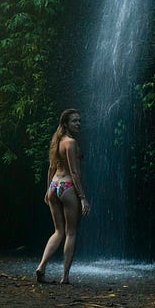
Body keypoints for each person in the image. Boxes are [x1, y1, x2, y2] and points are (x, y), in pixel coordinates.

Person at [35, 108, 91, 284]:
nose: (78, 124)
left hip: (54, 186)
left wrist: (47, 190)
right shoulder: (70, 143)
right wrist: (83, 198)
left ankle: (41, 267)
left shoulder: (56, 141)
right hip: (67, 186)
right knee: (71, 233)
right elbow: (74, 173)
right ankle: (65, 277)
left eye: (79, 120)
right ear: (66, 123)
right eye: (74, 121)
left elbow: (51, 168)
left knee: (58, 231)